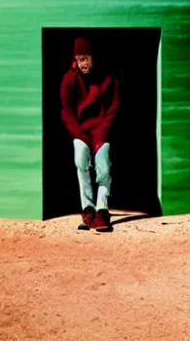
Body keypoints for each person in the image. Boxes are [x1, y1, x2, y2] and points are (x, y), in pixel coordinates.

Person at [59, 37, 120, 232]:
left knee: (103, 168)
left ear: (94, 58)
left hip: (102, 129)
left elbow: (115, 104)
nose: (83, 64)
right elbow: (65, 111)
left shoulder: (108, 78)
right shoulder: (69, 80)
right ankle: (88, 209)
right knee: (80, 162)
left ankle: (102, 210)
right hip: (81, 131)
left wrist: (102, 131)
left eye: (86, 58)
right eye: (79, 59)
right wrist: (80, 134)